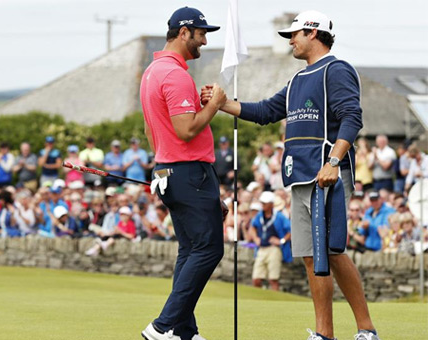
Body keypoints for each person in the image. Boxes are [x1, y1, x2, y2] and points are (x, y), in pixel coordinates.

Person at [205, 10, 379, 340]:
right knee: (311, 257)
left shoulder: (336, 69)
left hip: (328, 175)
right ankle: (324, 333)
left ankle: (366, 330)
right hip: (299, 177)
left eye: (295, 35)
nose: (291, 42)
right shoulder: (298, 79)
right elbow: (266, 111)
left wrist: (333, 161)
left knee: (333, 252)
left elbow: (351, 118)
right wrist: (223, 104)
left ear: (313, 33)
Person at [139, 7, 226, 340]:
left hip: (170, 170)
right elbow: (187, 130)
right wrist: (214, 105)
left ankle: (183, 331)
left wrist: (162, 164)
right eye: (202, 33)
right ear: (185, 31)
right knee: (208, 249)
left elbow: (151, 130)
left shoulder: (153, 71)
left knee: (191, 250)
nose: (204, 40)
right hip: (190, 172)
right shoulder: (175, 75)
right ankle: (162, 326)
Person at [250, 191, 291, 291]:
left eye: (265, 203)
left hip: (274, 249)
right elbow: (253, 227)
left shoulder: (279, 216)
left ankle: (274, 301)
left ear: (271, 204)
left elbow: (290, 231)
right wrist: (256, 238)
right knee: (256, 279)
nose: (263, 205)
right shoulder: (259, 216)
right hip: (261, 248)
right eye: (262, 202)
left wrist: (281, 241)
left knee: (273, 279)